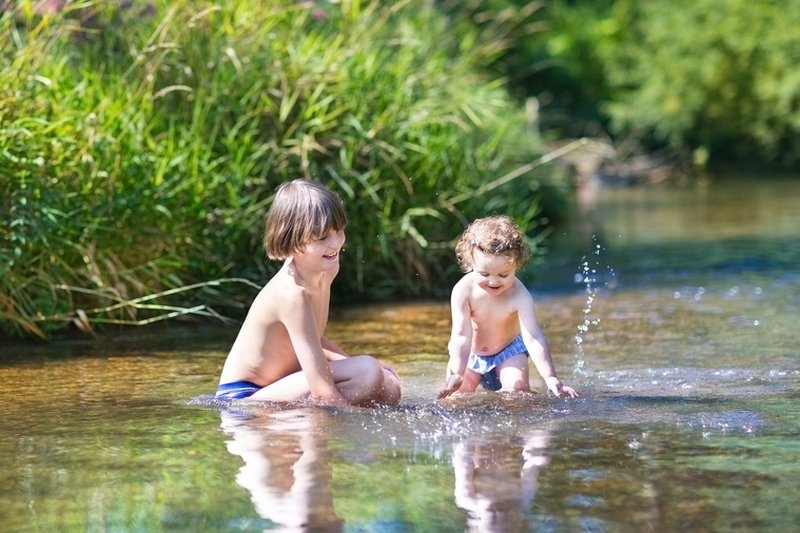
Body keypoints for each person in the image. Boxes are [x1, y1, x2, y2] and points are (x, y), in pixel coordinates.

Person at [215, 179, 402, 407]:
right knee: (366, 372)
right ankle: (310, 427)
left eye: (339, 231)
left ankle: (308, 425)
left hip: (285, 385)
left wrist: (355, 364)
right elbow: (323, 392)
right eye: (323, 237)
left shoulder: (328, 267)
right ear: (292, 242)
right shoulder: (292, 293)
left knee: (388, 385)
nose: (336, 243)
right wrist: (356, 429)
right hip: (243, 400)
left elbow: (311, 338)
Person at [438, 215, 578, 399]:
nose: (493, 281)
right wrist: (457, 371)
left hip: (508, 352)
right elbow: (461, 335)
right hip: (470, 354)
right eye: (484, 273)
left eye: (504, 274)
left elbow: (533, 337)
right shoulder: (463, 291)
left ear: (516, 265)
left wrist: (551, 377)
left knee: (517, 391)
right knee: (457, 396)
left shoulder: (520, 295)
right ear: (471, 263)